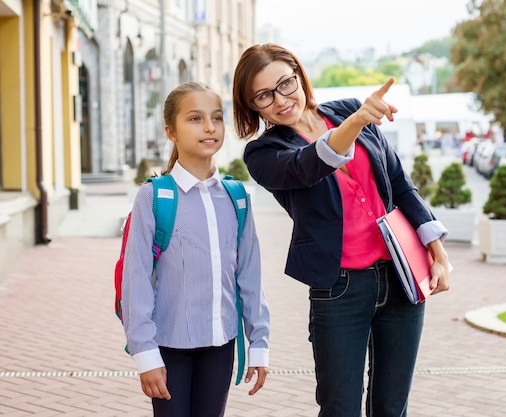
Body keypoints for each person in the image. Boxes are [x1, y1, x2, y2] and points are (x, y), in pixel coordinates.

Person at [232, 43, 450, 417]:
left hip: (400, 276)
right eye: (264, 96)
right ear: (252, 105)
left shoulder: (349, 109)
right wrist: (357, 122)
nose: (281, 100)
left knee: (392, 407)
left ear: (300, 75)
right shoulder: (263, 154)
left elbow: (399, 183)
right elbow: (309, 164)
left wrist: (437, 252)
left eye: (286, 84)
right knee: (340, 408)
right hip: (340, 289)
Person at [122, 81, 270, 417]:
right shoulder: (154, 196)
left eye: (217, 118)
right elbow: (137, 281)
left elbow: (250, 275)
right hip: (169, 345)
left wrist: (258, 343)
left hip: (221, 345)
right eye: (195, 118)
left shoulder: (237, 198)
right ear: (170, 131)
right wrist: (145, 355)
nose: (209, 127)